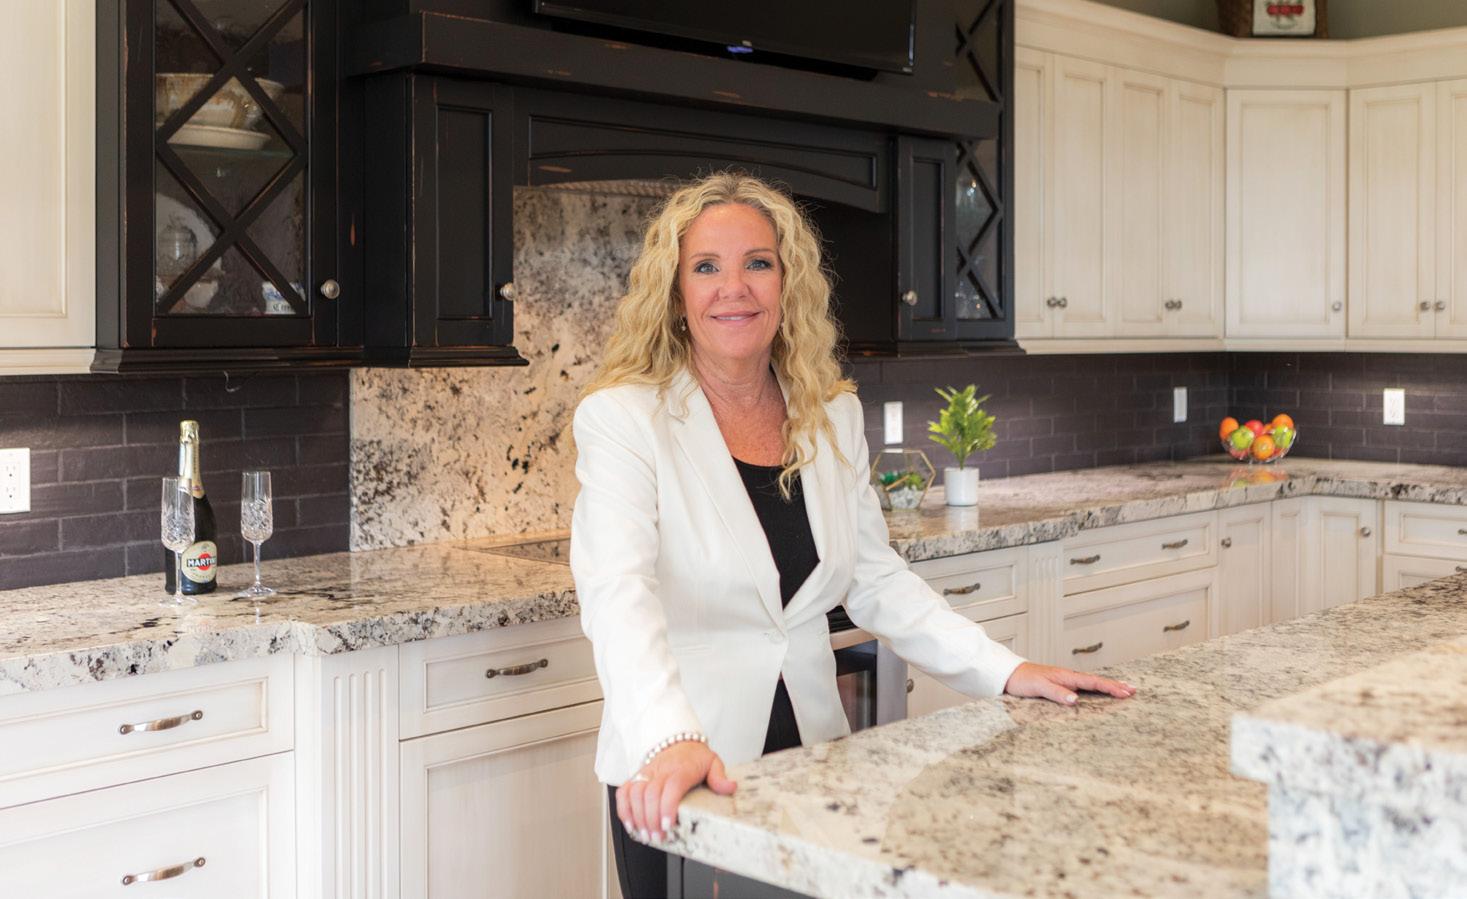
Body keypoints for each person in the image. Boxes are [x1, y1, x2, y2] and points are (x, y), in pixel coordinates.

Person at [569, 172, 1135, 899]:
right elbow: (619, 593)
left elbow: (874, 576)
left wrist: (1003, 669)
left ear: (787, 284)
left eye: (758, 262)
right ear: (676, 294)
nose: (734, 287)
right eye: (706, 267)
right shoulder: (624, 418)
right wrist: (669, 735)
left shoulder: (829, 413)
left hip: (813, 758)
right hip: (680, 763)